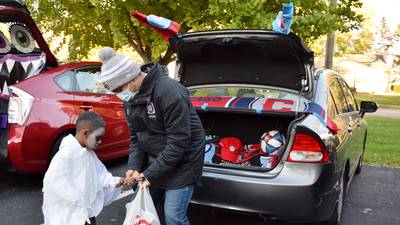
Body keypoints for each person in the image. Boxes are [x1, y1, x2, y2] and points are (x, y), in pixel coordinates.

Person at [98, 47, 205, 225]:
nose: (118, 95)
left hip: (183, 163)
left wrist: (150, 174)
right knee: (137, 208)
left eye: (119, 89)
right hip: (155, 162)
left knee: (173, 217)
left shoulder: (169, 91)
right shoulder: (130, 101)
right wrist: (134, 166)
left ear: (131, 80)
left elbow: (179, 142)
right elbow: (136, 138)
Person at [42, 111, 125, 225]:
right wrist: (78, 201)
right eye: (98, 138)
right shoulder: (66, 155)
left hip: (86, 215)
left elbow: (100, 175)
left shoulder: (89, 154)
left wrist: (114, 182)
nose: (100, 142)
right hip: (70, 217)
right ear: (86, 133)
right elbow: (53, 184)